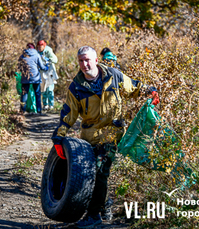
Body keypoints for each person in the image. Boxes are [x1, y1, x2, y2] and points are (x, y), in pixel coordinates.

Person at [51, 46, 159, 228]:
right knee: (90, 173)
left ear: (95, 60)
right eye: (80, 61)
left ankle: (93, 215)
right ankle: (105, 205)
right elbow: (68, 114)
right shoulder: (76, 86)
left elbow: (133, 87)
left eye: (87, 60)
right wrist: (59, 137)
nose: (84, 64)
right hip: (88, 137)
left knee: (100, 172)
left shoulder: (113, 75)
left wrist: (151, 92)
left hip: (111, 134)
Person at [18, 43, 48, 114]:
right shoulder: (37, 55)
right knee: (37, 94)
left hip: (25, 77)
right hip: (35, 77)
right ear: (34, 48)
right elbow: (41, 66)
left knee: (24, 94)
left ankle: (22, 111)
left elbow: (19, 66)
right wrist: (46, 67)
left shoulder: (23, 55)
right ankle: (39, 110)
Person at [37, 40, 58, 110]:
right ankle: (45, 105)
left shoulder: (48, 51)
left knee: (50, 89)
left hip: (50, 72)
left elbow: (55, 60)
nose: (39, 48)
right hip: (41, 72)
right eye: (38, 47)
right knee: (43, 89)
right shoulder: (37, 52)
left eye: (41, 46)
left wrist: (47, 60)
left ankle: (51, 104)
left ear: (44, 46)